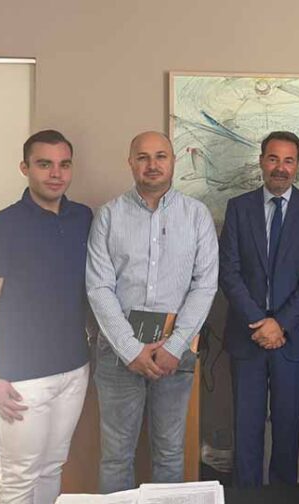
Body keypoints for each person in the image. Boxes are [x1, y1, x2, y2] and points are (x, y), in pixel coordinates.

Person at [86, 131, 218, 492]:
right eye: (142, 157)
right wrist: (130, 349)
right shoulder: (109, 216)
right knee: (116, 457)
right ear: (130, 163)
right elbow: (98, 287)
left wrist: (174, 346)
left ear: (173, 161)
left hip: (175, 354)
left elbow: (205, 285)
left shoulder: (196, 216)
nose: (152, 165)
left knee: (170, 454)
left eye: (161, 156)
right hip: (118, 356)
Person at [0, 130, 91, 503]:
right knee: (20, 476)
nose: (56, 174)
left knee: (53, 467)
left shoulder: (83, 217)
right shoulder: (1, 227)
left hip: (75, 368)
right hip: (22, 378)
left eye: (64, 164)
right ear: (25, 168)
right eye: (44, 164)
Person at [219, 131, 299, 487]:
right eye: (273, 158)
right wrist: (258, 321)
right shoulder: (238, 208)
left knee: (287, 429)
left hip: (293, 339)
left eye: (288, 160)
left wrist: (280, 324)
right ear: (261, 161)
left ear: (297, 165)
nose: (280, 167)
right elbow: (229, 271)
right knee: (246, 430)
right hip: (247, 337)